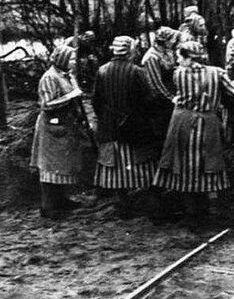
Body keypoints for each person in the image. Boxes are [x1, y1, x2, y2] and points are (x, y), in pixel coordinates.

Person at [153, 41, 234, 219]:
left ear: (186, 57)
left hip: (182, 122)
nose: (178, 60)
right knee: (209, 162)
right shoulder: (217, 73)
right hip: (207, 123)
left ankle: (190, 209)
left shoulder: (178, 74)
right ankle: (212, 207)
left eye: (179, 57)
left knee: (184, 163)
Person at [93, 36, 157, 202]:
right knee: (140, 164)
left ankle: (123, 201)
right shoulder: (136, 71)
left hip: (110, 126)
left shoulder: (102, 70)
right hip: (134, 126)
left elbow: (96, 101)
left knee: (115, 165)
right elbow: (148, 99)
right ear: (130, 51)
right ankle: (146, 201)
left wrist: (105, 118)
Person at [30, 45, 89, 219]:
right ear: (62, 59)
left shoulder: (67, 75)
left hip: (65, 125)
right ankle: (48, 207)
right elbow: (47, 104)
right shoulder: (49, 77)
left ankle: (61, 200)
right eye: (70, 59)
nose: (74, 62)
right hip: (52, 128)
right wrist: (71, 96)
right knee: (50, 168)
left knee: (62, 166)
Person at [141, 27, 180, 154]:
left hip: (169, 96)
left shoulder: (166, 52)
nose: (174, 42)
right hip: (159, 100)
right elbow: (155, 84)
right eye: (172, 40)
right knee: (162, 131)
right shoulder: (151, 57)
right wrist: (171, 98)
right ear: (164, 41)